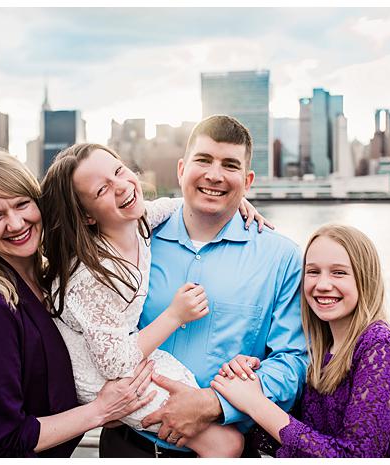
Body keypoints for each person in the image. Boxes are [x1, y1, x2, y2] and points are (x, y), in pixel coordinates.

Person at [39, 143, 270, 457]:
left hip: (126, 350)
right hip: (103, 375)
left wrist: (237, 199)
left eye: (119, 171)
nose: (121, 186)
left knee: (202, 399)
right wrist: (175, 315)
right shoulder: (92, 276)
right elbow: (115, 362)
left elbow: (178, 204)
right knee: (226, 444)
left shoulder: (142, 220)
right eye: (102, 190)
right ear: (87, 217)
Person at [98, 115, 309, 458]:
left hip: (222, 449)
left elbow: (292, 363)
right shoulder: (134, 238)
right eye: (203, 160)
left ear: (247, 180)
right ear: (181, 170)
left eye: (229, 165)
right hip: (127, 444)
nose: (214, 175)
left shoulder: (281, 257)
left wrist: (215, 403)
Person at [0, 149, 157, 457]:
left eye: (21, 204)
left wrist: (232, 207)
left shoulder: (50, 279)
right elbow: (2, 440)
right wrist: (101, 409)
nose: (15, 223)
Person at [210, 224, 390, 458]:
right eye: (313, 271)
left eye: (338, 272)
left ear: (365, 278)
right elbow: (296, 439)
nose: (322, 285)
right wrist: (247, 377)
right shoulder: (321, 349)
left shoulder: (380, 346)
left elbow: (357, 457)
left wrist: (256, 404)